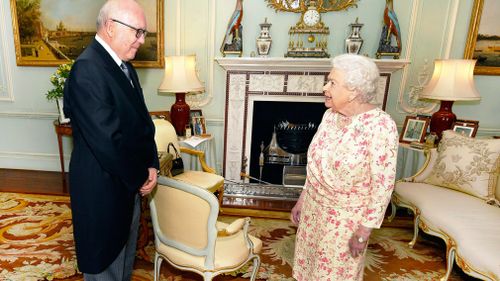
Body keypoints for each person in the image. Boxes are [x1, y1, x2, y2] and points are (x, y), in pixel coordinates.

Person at [63, 0, 159, 280]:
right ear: (110, 27)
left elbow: (142, 124)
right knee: (106, 270)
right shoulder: (88, 69)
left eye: (144, 33)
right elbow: (109, 142)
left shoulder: (123, 66)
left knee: (123, 267)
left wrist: (151, 164)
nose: (141, 41)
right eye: (137, 32)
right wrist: (142, 174)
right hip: (102, 194)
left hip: (126, 187)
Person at [290, 54, 398, 280]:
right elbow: (316, 165)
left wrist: (364, 231)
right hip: (314, 210)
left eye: (332, 83)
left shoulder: (381, 126)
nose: (324, 87)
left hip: (346, 220)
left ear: (354, 91)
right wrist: (303, 199)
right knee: (308, 267)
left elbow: (383, 185)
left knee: (334, 274)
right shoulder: (330, 116)